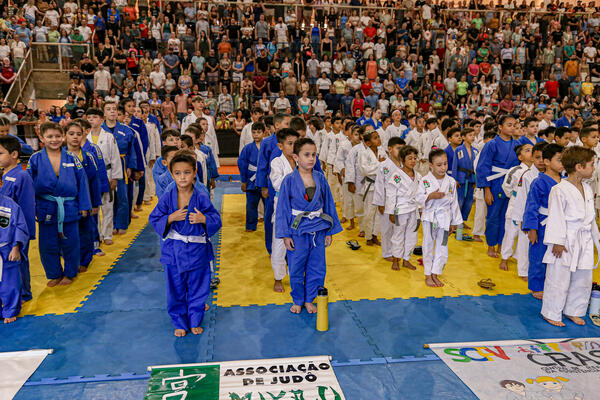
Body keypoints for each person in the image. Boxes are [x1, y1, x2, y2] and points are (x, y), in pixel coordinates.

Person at [149, 151, 222, 337]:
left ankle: (195, 319)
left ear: (195, 172)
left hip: (197, 251)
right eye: (178, 173)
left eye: (187, 172)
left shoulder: (201, 196)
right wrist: (170, 217)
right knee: (175, 289)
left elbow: (216, 219)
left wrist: (203, 218)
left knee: (199, 288)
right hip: (173, 251)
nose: (183, 177)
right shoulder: (167, 196)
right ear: (172, 174)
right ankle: (179, 321)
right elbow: (155, 217)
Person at [275, 137, 342, 314]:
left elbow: (329, 204)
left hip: (318, 228)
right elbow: (282, 209)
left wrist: (329, 230)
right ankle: (297, 299)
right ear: (296, 157)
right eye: (307, 155)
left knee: (317, 267)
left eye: (314, 154)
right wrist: (285, 235)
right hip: (297, 230)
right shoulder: (288, 180)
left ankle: (309, 299)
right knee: (296, 267)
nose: (311, 158)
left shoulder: (320, 178)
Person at [541, 146, 599, 327]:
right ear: (579, 167)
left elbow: (590, 219)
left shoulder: (587, 189)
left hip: (584, 239)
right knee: (559, 278)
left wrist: (596, 238)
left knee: (583, 278)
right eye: (592, 164)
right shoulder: (559, 189)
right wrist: (557, 242)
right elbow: (556, 217)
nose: (594, 168)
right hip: (565, 240)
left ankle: (574, 310)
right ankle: (551, 312)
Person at [27, 122, 92, 287]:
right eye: (49, 136)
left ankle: (70, 273)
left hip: (69, 206)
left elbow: (82, 181)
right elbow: (28, 185)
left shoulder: (72, 158)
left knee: (71, 242)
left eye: (57, 136)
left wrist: (85, 206)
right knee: (47, 244)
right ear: (41, 138)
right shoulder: (35, 159)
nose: (54, 140)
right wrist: (30, 207)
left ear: (62, 136)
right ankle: (54, 273)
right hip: (45, 205)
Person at [416, 149, 462, 287]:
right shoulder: (424, 181)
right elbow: (418, 199)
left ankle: (436, 273)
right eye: (439, 165)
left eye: (445, 164)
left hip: (445, 217)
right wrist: (430, 196)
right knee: (428, 245)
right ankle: (428, 275)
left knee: (443, 247)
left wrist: (455, 222)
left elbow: (454, 202)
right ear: (431, 165)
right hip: (430, 217)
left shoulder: (451, 181)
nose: (443, 168)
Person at [523, 144, 564, 300]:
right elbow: (531, 206)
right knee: (538, 255)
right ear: (547, 161)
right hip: (542, 223)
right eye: (559, 160)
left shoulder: (565, 181)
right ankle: (537, 286)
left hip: (560, 223)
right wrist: (532, 229)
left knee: (557, 255)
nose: (562, 164)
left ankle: (554, 284)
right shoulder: (538, 182)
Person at [476, 115, 520, 258]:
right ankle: (491, 245)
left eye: (514, 125)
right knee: (493, 215)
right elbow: (483, 167)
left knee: (507, 216)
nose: (512, 127)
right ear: (500, 127)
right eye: (509, 124)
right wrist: (486, 190)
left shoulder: (517, 145)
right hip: (495, 183)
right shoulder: (491, 144)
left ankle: (502, 245)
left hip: (510, 183)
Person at [374, 142, 421, 271]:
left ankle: (406, 259)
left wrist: (421, 209)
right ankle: (396, 259)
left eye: (415, 158)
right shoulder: (396, 176)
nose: (413, 161)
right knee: (398, 235)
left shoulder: (418, 176)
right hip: (400, 209)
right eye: (409, 158)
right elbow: (391, 195)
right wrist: (391, 212)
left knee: (412, 236)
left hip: (413, 209)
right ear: (402, 159)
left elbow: (420, 194)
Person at [0, 136, 35, 302]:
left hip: (17, 230)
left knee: (19, 260)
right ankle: (9, 295)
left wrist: (24, 235)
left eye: (0, 153)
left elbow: (27, 207)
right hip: (3, 231)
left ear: (14, 154)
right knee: (6, 265)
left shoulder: (22, 176)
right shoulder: (2, 175)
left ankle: (24, 294)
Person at [64, 121, 102, 273]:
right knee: (66, 232)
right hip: (66, 201)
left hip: (85, 200)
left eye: (78, 134)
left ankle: (85, 259)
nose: (75, 137)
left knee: (85, 231)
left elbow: (94, 181)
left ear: (84, 135)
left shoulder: (88, 156)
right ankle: (69, 257)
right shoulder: (60, 155)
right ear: (65, 135)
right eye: (71, 134)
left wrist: (94, 203)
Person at [85, 108, 122, 246]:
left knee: (107, 205)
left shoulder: (108, 136)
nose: (91, 120)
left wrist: (115, 177)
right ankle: (96, 235)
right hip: (89, 176)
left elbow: (115, 157)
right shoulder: (84, 137)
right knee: (94, 207)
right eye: (89, 117)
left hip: (107, 173)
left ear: (101, 120)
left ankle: (107, 234)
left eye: (94, 117)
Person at [511, 142, 548, 281]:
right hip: (528, 214)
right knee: (524, 243)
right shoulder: (527, 175)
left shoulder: (551, 175)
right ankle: (523, 271)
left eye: (543, 158)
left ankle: (540, 271)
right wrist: (521, 219)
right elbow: (521, 198)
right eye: (537, 157)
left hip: (544, 215)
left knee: (539, 245)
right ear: (532, 158)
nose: (540, 161)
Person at [270, 129, 300, 293]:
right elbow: (277, 184)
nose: (293, 146)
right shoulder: (276, 162)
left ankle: (296, 274)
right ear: (280, 146)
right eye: (290, 143)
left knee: (298, 244)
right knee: (280, 243)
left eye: (296, 143)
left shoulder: (301, 160)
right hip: (282, 206)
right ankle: (278, 278)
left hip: (300, 208)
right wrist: (297, 176)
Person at [102, 102, 137, 236]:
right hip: (104, 167)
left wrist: (130, 166)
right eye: (108, 109)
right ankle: (109, 226)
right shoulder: (100, 130)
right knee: (108, 198)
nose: (112, 111)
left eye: (114, 109)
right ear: (104, 113)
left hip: (122, 164)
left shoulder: (126, 129)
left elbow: (132, 150)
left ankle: (121, 223)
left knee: (122, 196)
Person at [498, 144, 533, 273]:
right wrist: (515, 196)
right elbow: (506, 186)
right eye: (527, 150)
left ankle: (520, 258)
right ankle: (505, 258)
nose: (531, 152)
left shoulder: (537, 171)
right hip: (515, 202)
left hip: (529, 205)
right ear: (520, 157)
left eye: (532, 150)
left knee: (525, 234)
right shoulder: (516, 170)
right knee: (511, 232)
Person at [0, 192, 28, 323]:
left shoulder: (10, 205)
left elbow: (20, 227)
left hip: (6, 250)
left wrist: (16, 247)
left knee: (10, 282)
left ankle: (10, 311)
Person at [237, 122, 265, 232]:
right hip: (251, 180)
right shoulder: (248, 148)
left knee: (268, 205)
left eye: (259, 132)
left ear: (264, 133)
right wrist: (243, 181)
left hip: (265, 180)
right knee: (251, 205)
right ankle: (250, 225)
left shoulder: (267, 147)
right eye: (254, 132)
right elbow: (242, 164)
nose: (256, 135)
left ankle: (270, 225)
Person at [359, 130, 382, 246]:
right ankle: (368, 236)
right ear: (368, 143)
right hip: (370, 186)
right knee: (369, 213)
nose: (378, 139)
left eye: (378, 137)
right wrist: (379, 164)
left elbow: (386, 169)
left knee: (379, 214)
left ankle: (375, 235)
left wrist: (380, 165)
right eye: (375, 138)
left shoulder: (383, 152)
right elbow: (365, 170)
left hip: (381, 187)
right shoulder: (364, 154)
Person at [451, 128, 478, 225]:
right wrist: (455, 179)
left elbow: (477, 167)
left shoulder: (475, 151)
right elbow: (455, 165)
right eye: (470, 135)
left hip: (471, 178)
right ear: (463, 137)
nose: (472, 137)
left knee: (469, 202)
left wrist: (476, 181)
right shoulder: (459, 149)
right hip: (461, 178)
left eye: (474, 135)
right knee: (459, 201)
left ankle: (462, 221)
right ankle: (455, 221)